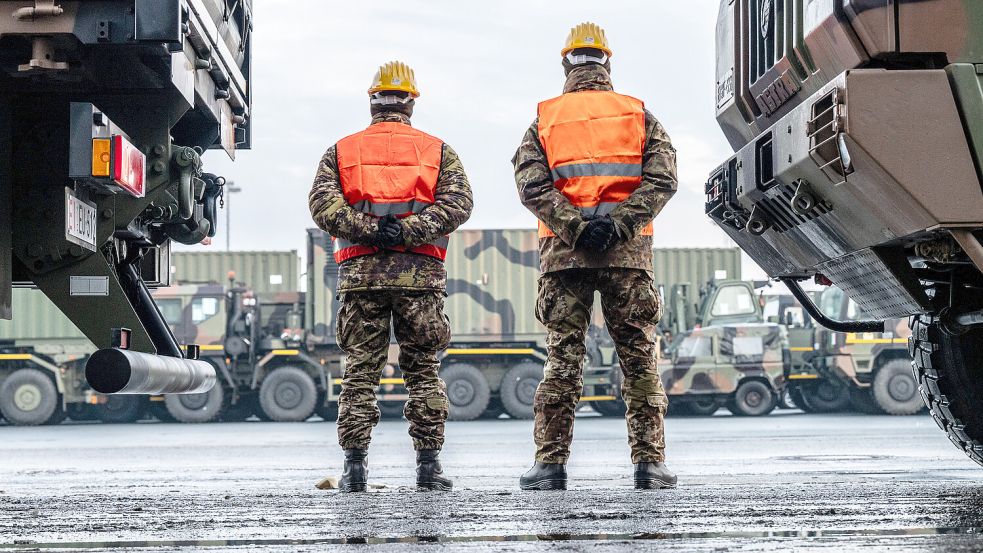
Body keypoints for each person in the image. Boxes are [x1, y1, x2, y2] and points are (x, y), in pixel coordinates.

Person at [512, 22, 678, 491]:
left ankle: (549, 465)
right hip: (627, 258)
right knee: (638, 358)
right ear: (608, 62)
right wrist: (619, 225)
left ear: (566, 62)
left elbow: (531, 185)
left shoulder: (544, 119)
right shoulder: (638, 115)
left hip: (566, 259)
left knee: (563, 357)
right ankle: (649, 465)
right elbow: (663, 178)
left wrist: (576, 227)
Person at [309, 61, 473, 492]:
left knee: (360, 373)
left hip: (361, 277)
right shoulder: (437, 150)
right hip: (420, 278)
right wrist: (408, 230)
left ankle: (355, 470)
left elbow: (323, 206)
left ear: (372, 100)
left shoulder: (342, 151)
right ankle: (429, 468)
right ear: (411, 103)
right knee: (423, 371)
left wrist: (372, 230)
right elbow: (459, 204)